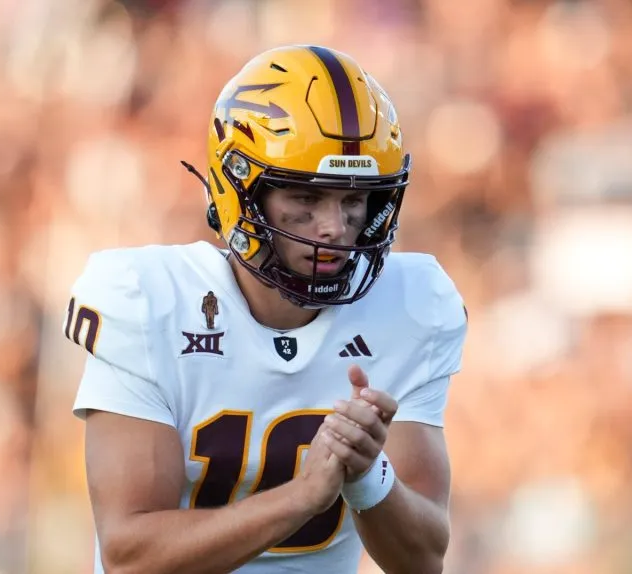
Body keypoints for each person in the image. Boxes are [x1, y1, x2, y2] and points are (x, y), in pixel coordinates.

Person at [65, 44, 467, 574]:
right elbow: (130, 557)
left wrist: (370, 476)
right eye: (306, 198)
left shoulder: (411, 304)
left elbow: (422, 560)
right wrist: (301, 497)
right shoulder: (147, 299)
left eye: (354, 200)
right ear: (241, 191)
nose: (335, 228)